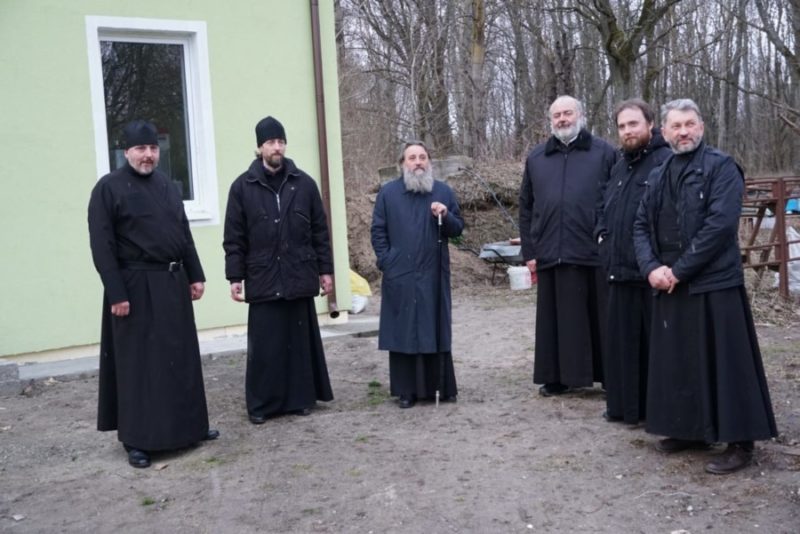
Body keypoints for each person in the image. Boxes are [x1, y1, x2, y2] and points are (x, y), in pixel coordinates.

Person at [633, 99, 778, 474]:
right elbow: (640, 225)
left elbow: (719, 226)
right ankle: (689, 429)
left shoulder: (722, 167)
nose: (683, 132)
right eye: (676, 126)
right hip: (671, 283)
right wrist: (651, 268)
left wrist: (679, 270)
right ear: (664, 132)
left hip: (715, 282)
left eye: (690, 124)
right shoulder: (659, 173)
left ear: (701, 126)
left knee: (727, 365)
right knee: (680, 361)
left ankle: (740, 441)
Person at [88, 120, 218, 469]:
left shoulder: (167, 186)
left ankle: (190, 428)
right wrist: (116, 293)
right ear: (126, 151)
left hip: (173, 284)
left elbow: (183, 233)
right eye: (141, 149)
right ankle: (139, 440)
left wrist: (196, 274)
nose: (148, 155)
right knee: (141, 366)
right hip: (135, 287)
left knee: (180, 358)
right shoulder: (108, 188)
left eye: (153, 148)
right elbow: (102, 246)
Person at [223, 116, 334, 424]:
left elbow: (320, 232)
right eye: (271, 142)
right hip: (263, 277)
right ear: (260, 147)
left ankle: (300, 399)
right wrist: (235, 277)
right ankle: (262, 405)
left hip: (299, 274)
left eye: (281, 142)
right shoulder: (242, 187)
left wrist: (326, 271)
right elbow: (234, 237)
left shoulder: (304, 184)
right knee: (266, 347)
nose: (277, 148)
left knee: (298, 344)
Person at [519, 95, 617, 397]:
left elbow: (616, 200)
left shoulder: (604, 153)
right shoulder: (537, 158)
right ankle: (557, 377)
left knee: (601, 319)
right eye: (557, 115)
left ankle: (610, 377)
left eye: (567, 113)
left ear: (581, 116)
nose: (562, 119)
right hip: (551, 251)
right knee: (557, 323)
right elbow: (526, 206)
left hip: (593, 251)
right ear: (550, 120)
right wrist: (530, 251)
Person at [371, 141, 464, 408]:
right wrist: (387, 261)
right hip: (400, 273)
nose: (418, 162)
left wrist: (445, 215)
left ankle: (441, 387)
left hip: (433, 274)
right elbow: (378, 231)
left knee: (434, 326)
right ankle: (406, 391)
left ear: (429, 162)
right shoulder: (388, 193)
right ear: (402, 164)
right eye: (412, 158)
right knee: (404, 330)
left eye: (423, 157)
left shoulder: (442, 191)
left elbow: (457, 229)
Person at [595, 99, 671, 424]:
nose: (627, 131)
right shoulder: (619, 165)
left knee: (654, 349)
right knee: (622, 347)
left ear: (650, 124)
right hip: (618, 270)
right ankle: (625, 408)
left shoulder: (665, 161)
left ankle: (655, 411)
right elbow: (603, 206)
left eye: (633, 124)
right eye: (622, 126)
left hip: (650, 272)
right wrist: (602, 237)